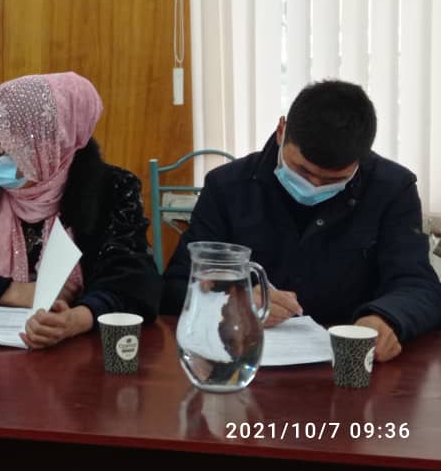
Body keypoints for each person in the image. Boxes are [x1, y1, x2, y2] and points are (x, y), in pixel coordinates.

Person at [162, 79, 441, 362]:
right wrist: (233, 303)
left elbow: (417, 284)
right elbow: (177, 285)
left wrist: (387, 318)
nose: (314, 185)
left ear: (361, 158)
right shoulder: (227, 186)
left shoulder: (392, 189)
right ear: (281, 131)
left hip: (350, 362)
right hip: (242, 360)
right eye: (302, 171)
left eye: (333, 180)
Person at [0, 72, 161, 349]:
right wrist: (12, 291)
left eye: (2, 149)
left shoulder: (110, 188)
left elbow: (135, 283)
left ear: (48, 146)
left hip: (79, 355)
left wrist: (77, 319)